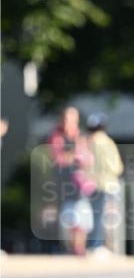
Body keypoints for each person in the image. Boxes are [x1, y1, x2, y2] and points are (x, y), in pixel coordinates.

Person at [47, 106, 95, 256]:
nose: (70, 123)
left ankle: (80, 247)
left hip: (81, 184)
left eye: (73, 120)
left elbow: (88, 159)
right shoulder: (57, 137)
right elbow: (58, 159)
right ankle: (72, 247)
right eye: (67, 119)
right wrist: (75, 154)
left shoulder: (79, 137)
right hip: (65, 184)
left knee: (83, 215)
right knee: (70, 215)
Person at [86, 113, 124, 255]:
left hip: (95, 183)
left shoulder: (89, 140)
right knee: (106, 218)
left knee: (96, 215)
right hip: (107, 184)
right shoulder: (104, 141)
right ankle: (98, 246)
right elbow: (115, 166)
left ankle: (95, 245)